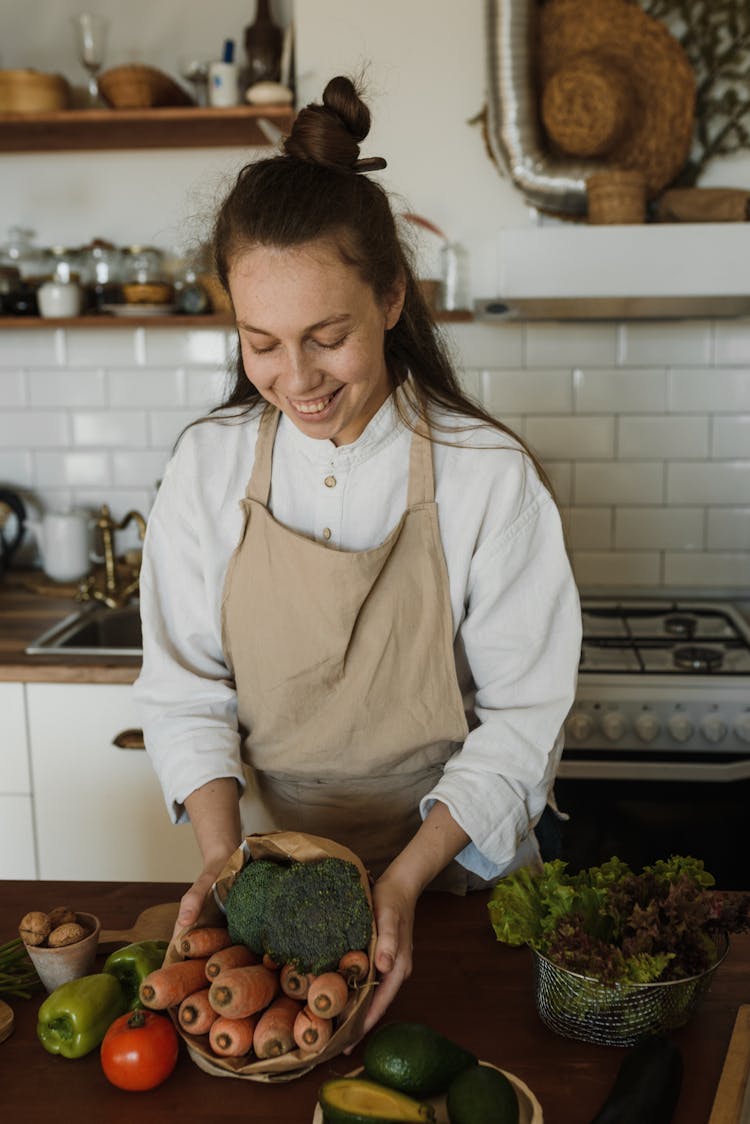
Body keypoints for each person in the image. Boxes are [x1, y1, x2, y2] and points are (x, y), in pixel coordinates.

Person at [133, 75, 582, 1033]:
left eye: (325, 338)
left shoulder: (485, 476)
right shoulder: (208, 468)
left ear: (389, 299)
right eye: (261, 343)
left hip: (461, 882)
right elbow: (184, 694)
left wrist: (408, 879)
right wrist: (224, 862)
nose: (295, 380)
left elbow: (522, 721)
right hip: (280, 893)